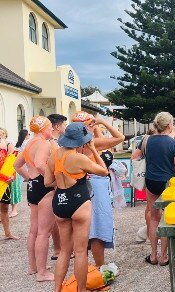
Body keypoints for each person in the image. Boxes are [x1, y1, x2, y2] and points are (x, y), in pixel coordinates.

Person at [44, 122, 109, 292]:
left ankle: (57, 289)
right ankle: (80, 290)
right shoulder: (79, 158)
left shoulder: (54, 156)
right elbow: (104, 171)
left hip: (60, 202)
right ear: (81, 141)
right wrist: (94, 149)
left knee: (65, 251)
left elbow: (46, 182)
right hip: (79, 202)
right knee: (80, 252)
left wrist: (60, 180)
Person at [71, 111, 124, 267]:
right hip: (96, 184)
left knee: (82, 228)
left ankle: (84, 268)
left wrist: (95, 126)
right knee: (97, 228)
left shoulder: (70, 144)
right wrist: (102, 122)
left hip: (78, 184)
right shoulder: (92, 143)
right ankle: (99, 266)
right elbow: (120, 137)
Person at [14, 116, 56, 281]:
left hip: (33, 186)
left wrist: (29, 178)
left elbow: (17, 165)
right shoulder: (44, 144)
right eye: (50, 126)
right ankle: (42, 273)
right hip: (44, 188)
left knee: (34, 230)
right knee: (44, 233)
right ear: (44, 128)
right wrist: (54, 181)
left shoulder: (29, 143)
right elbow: (39, 164)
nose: (52, 129)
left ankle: (33, 267)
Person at [140, 112, 175, 266]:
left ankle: (153, 255)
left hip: (151, 180)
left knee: (153, 217)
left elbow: (138, 156)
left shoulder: (147, 140)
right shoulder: (174, 144)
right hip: (167, 183)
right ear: (170, 125)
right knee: (166, 218)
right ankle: (164, 256)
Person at [47, 114, 68, 261]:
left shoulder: (51, 142)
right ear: (57, 126)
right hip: (57, 184)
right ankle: (60, 249)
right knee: (60, 218)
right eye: (64, 125)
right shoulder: (53, 144)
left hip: (52, 183)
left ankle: (58, 249)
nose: (65, 128)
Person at [0, 127, 18, 240]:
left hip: (4, 181)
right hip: (3, 178)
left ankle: (7, 233)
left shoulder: (8, 146)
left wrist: (13, 176)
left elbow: (14, 162)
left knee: (4, 209)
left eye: (1, 134)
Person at [8, 129, 24, 218]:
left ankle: (14, 210)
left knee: (13, 190)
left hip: (10, 169)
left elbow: (12, 158)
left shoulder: (8, 144)